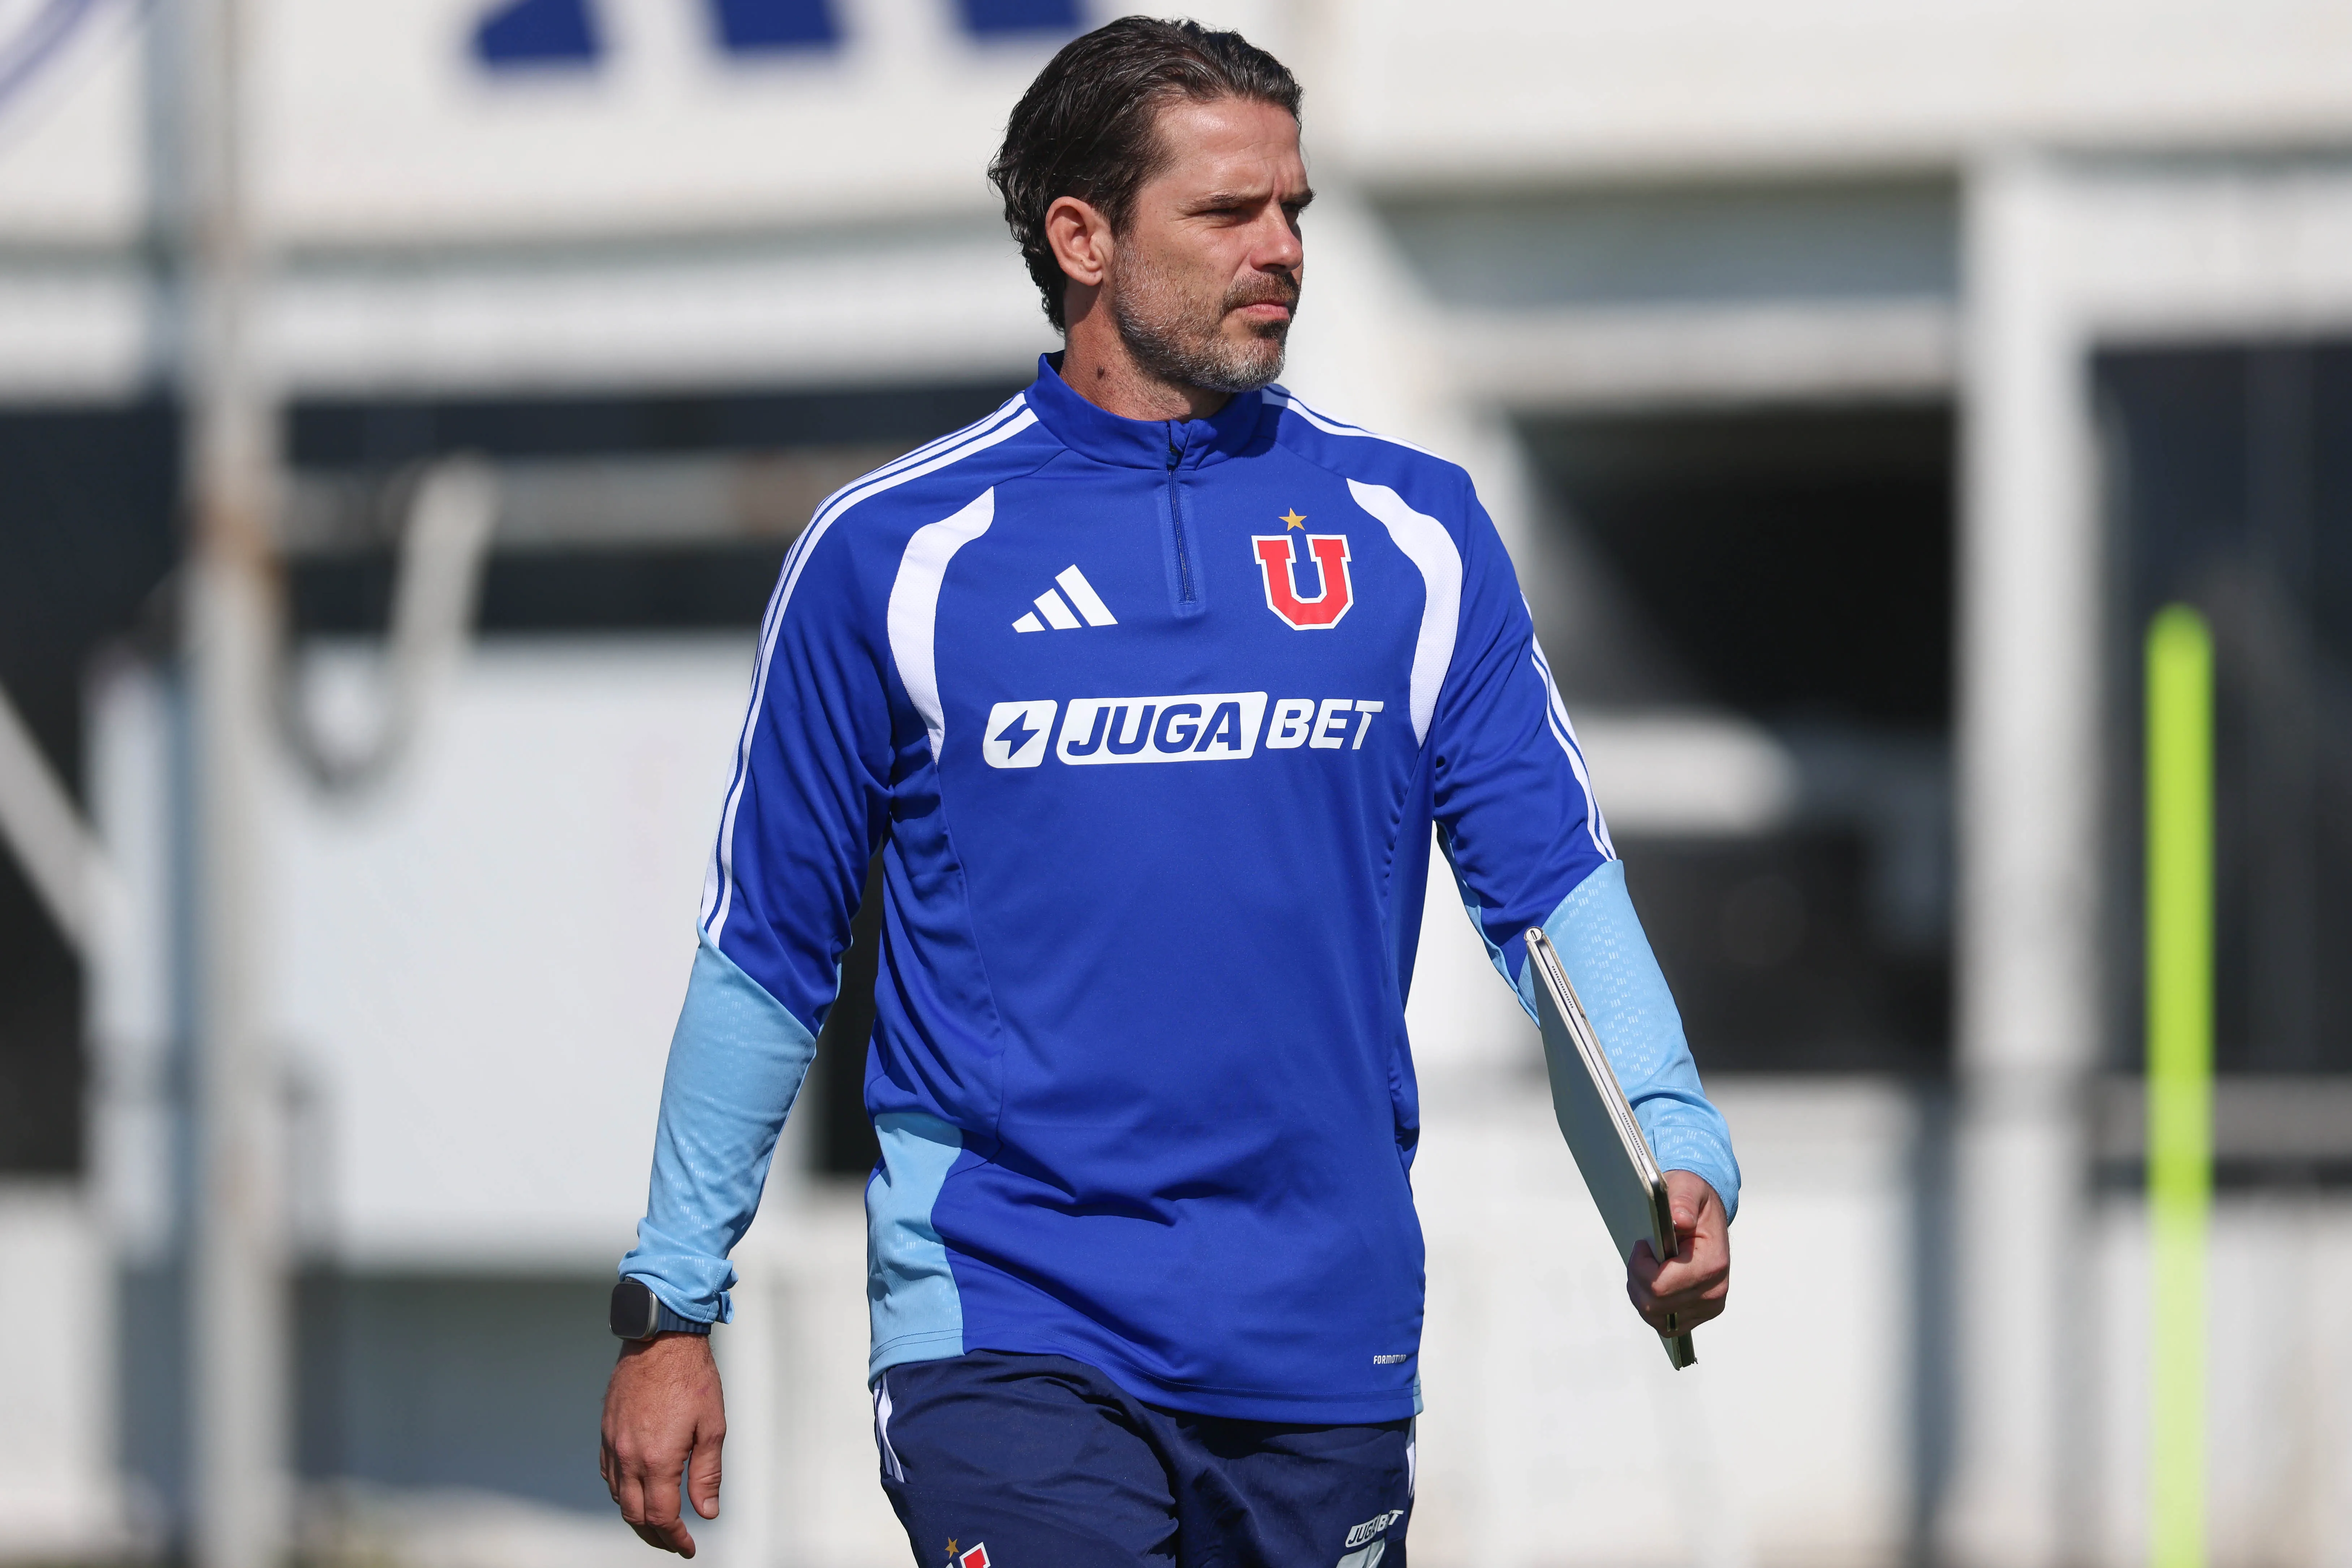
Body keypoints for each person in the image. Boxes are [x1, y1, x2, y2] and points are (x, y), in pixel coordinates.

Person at [598, 16, 1737, 1566]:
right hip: (1010, 1316)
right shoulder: (892, 554)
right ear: (1083, 239)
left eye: (1294, 209)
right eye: (1226, 212)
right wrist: (671, 1299)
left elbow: (1546, 884)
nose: (1281, 250)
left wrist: (1669, 1139)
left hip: (1323, 1330)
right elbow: (767, 946)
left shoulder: (1416, 532)